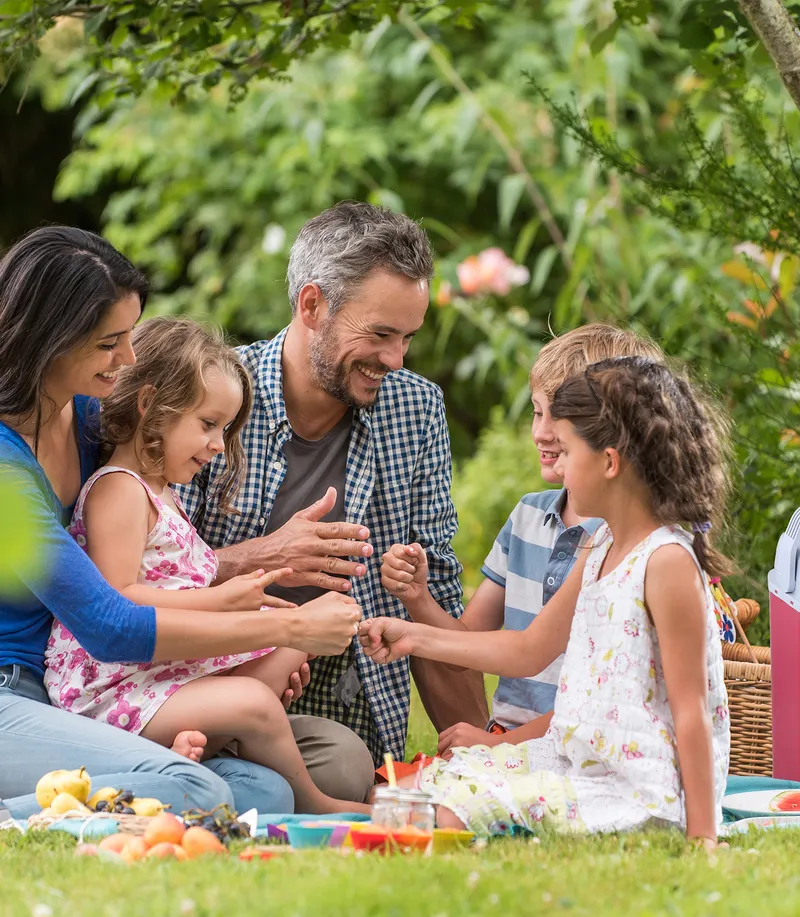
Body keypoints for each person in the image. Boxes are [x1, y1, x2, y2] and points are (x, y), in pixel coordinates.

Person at [0, 226, 361, 818]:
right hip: (15, 693)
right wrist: (288, 628)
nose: (129, 358)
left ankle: (133, 772)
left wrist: (260, 601)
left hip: (89, 691)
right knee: (201, 792)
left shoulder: (88, 421)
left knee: (270, 791)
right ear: (50, 339)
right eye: (109, 342)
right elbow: (110, 623)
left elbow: (155, 565)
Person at [359, 356, 732, 845]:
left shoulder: (665, 562)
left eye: (569, 451)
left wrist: (703, 837)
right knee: (402, 793)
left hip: (635, 791)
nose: (560, 465)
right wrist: (412, 636)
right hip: (574, 760)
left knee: (440, 815)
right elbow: (527, 649)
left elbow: (691, 711)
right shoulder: (601, 546)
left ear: (610, 462)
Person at [179, 201, 486, 767]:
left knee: (345, 770)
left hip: (344, 716)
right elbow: (147, 579)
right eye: (381, 333)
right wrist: (265, 556)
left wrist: (484, 760)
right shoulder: (209, 396)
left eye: (407, 338)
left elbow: (435, 597)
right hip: (202, 695)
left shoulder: (416, 409)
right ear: (312, 305)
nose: (395, 359)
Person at [379, 325, 665, 756]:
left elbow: (598, 700)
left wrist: (500, 747)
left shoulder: (624, 545)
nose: (542, 433)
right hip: (509, 742)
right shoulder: (528, 517)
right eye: (537, 412)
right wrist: (417, 599)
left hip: (575, 749)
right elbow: (469, 647)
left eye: (559, 420)